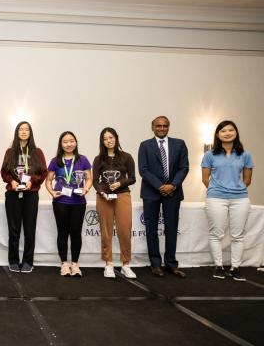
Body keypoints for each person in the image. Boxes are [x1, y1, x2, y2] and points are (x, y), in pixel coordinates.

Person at [201, 120, 253, 281]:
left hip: (240, 199)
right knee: (216, 234)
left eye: (231, 130)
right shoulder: (209, 155)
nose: (227, 133)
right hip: (216, 198)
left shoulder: (245, 155)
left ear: (236, 133)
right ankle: (218, 266)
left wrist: (235, 189)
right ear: (218, 134)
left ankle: (235, 268)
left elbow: (247, 179)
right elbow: (205, 179)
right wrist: (219, 189)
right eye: (223, 131)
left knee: (238, 236)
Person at [138, 116, 189, 278]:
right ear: (152, 127)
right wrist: (160, 186)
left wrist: (172, 185)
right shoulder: (145, 145)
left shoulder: (179, 144)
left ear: (169, 127)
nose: (161, 128)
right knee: (151, 229)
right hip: (151, 192)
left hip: (173, 192)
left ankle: (171, 264)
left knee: (171, 228)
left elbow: (184, 168)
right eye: (158, 126)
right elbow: (143, 170)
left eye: (165, 126)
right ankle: (155, 264)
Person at [1, 121, 47, 273]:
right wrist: (12, 181)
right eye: (21, 129)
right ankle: (13, 260)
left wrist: (32, 181)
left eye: (27, 129)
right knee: (13, 229)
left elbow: (43, 172)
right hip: (13, 194)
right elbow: (4, 172)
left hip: (31, 195)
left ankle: (28, 261)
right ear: (16, 132)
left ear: (30, 133)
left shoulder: (37, 152)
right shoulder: (10, 152)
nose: (24, 132)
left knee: (29, 229)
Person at [45, 131, 92, 277]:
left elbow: (89, 178)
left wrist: (86, 188)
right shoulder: (55, 161)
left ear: (76, 142)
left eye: (71, 141)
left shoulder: (82, 160)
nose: (69, 144)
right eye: (65, 141)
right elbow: (48, 181)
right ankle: (64, 264)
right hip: (60, 202)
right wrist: (52, 192)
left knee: (76, 233)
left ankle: (75, 264)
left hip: (78, 202)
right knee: (63, 233)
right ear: (61, 144)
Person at [92, 127, 137, 279]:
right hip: (104, 197)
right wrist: (101, 192)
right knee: (106, 231)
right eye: (105, 139)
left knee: (124, 230)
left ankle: (126, 264)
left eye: (111, 137)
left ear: (116, 138)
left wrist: (120, 184)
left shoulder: (127, 157)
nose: (109, 141)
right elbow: (95, 181)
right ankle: (109, 264)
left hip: (122, 195)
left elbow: (132, 178)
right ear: (102, 142)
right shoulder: (99, 159)